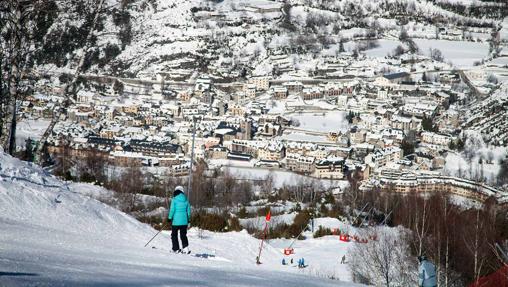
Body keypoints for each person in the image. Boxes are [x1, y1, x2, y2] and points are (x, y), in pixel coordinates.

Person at [168, 186, 191, 254]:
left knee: (174, 235)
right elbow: (188, 211)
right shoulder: (186, 200)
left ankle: (176, 249)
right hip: (184, 222)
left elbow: (172, 210)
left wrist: (169, 218)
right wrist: (188, 220)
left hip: (176, 221)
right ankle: (186, 248)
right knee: (183, 235)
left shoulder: (174, 199)